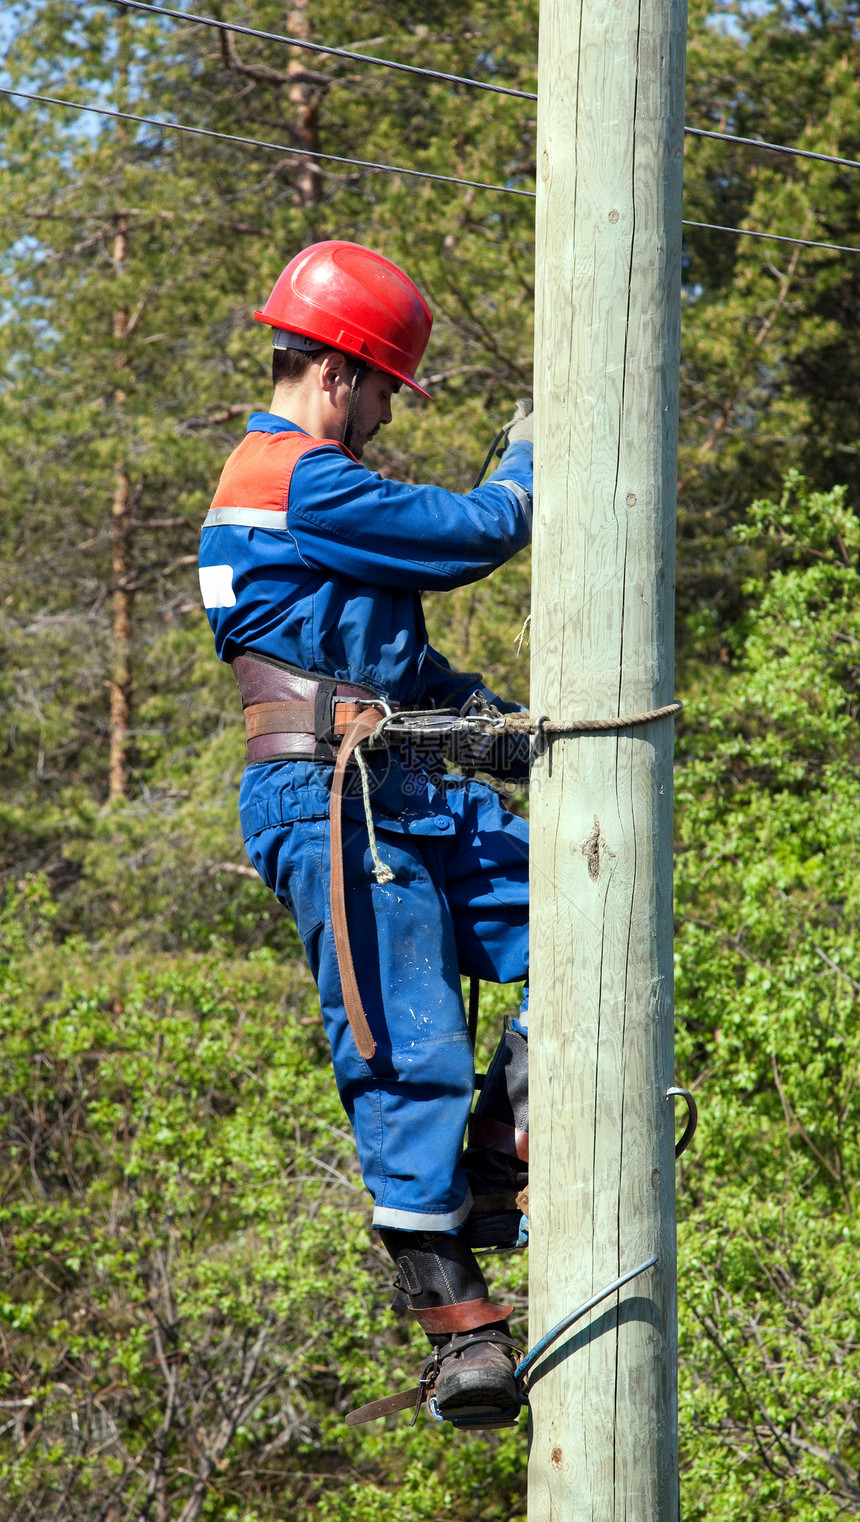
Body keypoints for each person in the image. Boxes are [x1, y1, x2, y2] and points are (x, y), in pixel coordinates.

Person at [199, 241, 533, 1425]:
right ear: (341, 372)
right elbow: (477, 531)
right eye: (389, 390)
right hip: (328, 799)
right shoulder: (290, 476)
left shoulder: (316, 498)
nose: (388, 414)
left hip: (400, 784)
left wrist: (476, 722)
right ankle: (458, 1331)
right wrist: (535, 459)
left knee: (591, 923)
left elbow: (382, 659)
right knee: (405, 1046)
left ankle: (499, 1149)